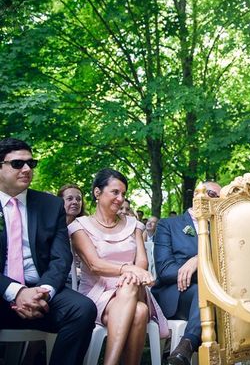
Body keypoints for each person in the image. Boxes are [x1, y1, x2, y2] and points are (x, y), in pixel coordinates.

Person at [0, 138, 97, 364]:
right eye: (17, 164)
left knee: (82, 309)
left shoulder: (50, 205)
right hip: (2, 291)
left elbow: (61, 257)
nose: (26, 169)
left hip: (41, 292)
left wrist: (43, 291)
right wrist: (16, 292)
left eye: (31, 164)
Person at [69, 168, 168, 365]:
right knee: (139, 312)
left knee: (129, 286)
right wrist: (127, 269)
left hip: (135, 286)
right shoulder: (79, 226)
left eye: (123, 194)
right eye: (115, 192)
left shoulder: (134, 225)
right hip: (98, 293)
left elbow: (142, 262)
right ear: (97, 193)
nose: (120, 198)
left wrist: (132, 272)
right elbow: (95, 265)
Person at [152, 180, 222, 365]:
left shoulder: (221, 230)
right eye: (210, 194)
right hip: (175, 293)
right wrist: (194, 269)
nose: (213, 200)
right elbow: (165, 270)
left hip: (215, 294)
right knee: (205, 294)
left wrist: (199, 259)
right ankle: (187, 347)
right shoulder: (168, 224)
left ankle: (185, 347)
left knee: (211, 295)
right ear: (195, 197)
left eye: (218, 198)